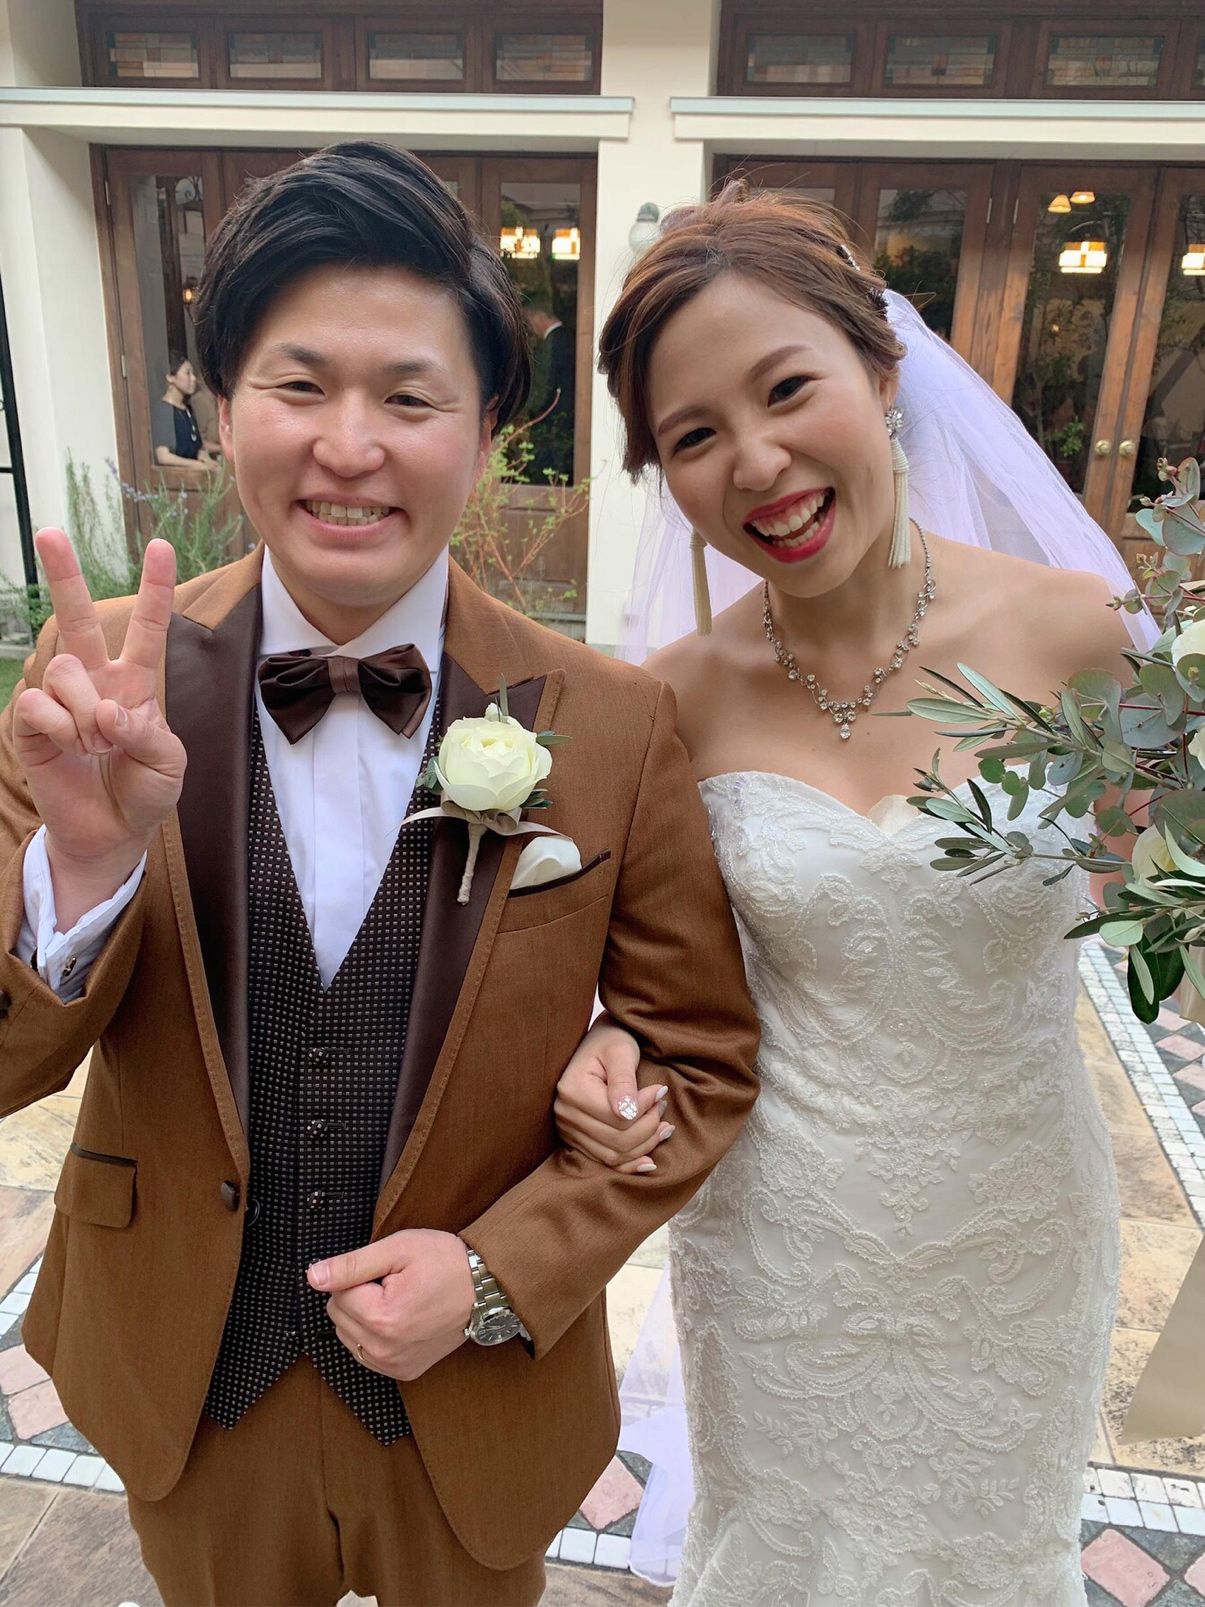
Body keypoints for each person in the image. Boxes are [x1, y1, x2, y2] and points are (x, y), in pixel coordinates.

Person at [0, 143, 760, 1607]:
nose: (349, 446)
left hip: (474, 1399)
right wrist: (83, 866)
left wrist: (499, 1272)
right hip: (187, 1379)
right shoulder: (95, 687)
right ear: (219, 409)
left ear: (487, 431)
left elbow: (701, 1056)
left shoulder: (613, 723)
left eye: (409, 398)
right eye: (299, 385)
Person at [554, 184, 1158, 1607]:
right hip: (777, 1241)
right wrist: (607, 1044)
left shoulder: (1080, 634)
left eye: (786, 389)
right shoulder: (667, 703)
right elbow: (649, 976)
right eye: (694, 435)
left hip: (1017, 1230)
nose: (756, 461)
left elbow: (1160, 883)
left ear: (882, 373)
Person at [523, 293, 576, 482]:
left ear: (538, 316)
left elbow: (545, 386)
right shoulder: (570, 337)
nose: (530, 327)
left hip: (552, 418)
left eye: (528, 320)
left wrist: (529, 411)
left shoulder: (553, 343)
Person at [152, 352, 220, 471]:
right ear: (170, 377)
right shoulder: (163, 410)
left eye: (193, 373)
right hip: (175, 477)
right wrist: (198, 465)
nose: (193, 378)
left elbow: (197, 448)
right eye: (187, 373)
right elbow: (163, 457)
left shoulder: (187, 409)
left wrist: (207, 461)